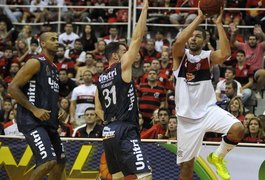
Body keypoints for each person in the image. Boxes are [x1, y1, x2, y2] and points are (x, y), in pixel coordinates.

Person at [172, 6, 245, 180]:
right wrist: (199, 17)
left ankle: (218, 156)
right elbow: (177, 43)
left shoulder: (208, 57)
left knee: (238, 128)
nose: (193, 38)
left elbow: (226, 53)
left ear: (204, 40)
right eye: (192, 35)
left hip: (207, 111)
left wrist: (218, 23)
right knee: (186, 170)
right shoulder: (180, 56)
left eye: (198, 36)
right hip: (186, 119)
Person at [95, 0, 152, 179]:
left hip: (108, 131)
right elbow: (137, 38)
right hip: (125, 128)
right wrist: (144, 10)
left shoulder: (101, 78)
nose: (127, 53)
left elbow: (98, 109)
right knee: (144, 175)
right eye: (123, 51)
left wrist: (111, 122)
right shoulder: (122, 68)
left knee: (119, 177)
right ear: (115, 55)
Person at [8, 32, 66, 180]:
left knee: (60, 162)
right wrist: (34, 109)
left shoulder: (53, 68)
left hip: (48, 122)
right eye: (52, 39)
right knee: (48, 161)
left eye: (57, 39)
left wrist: (58, 110)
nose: (57, 42)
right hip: (32, 121)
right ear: (43, 43)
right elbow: (12, 88)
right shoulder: (35, 62)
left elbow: (48, 96)